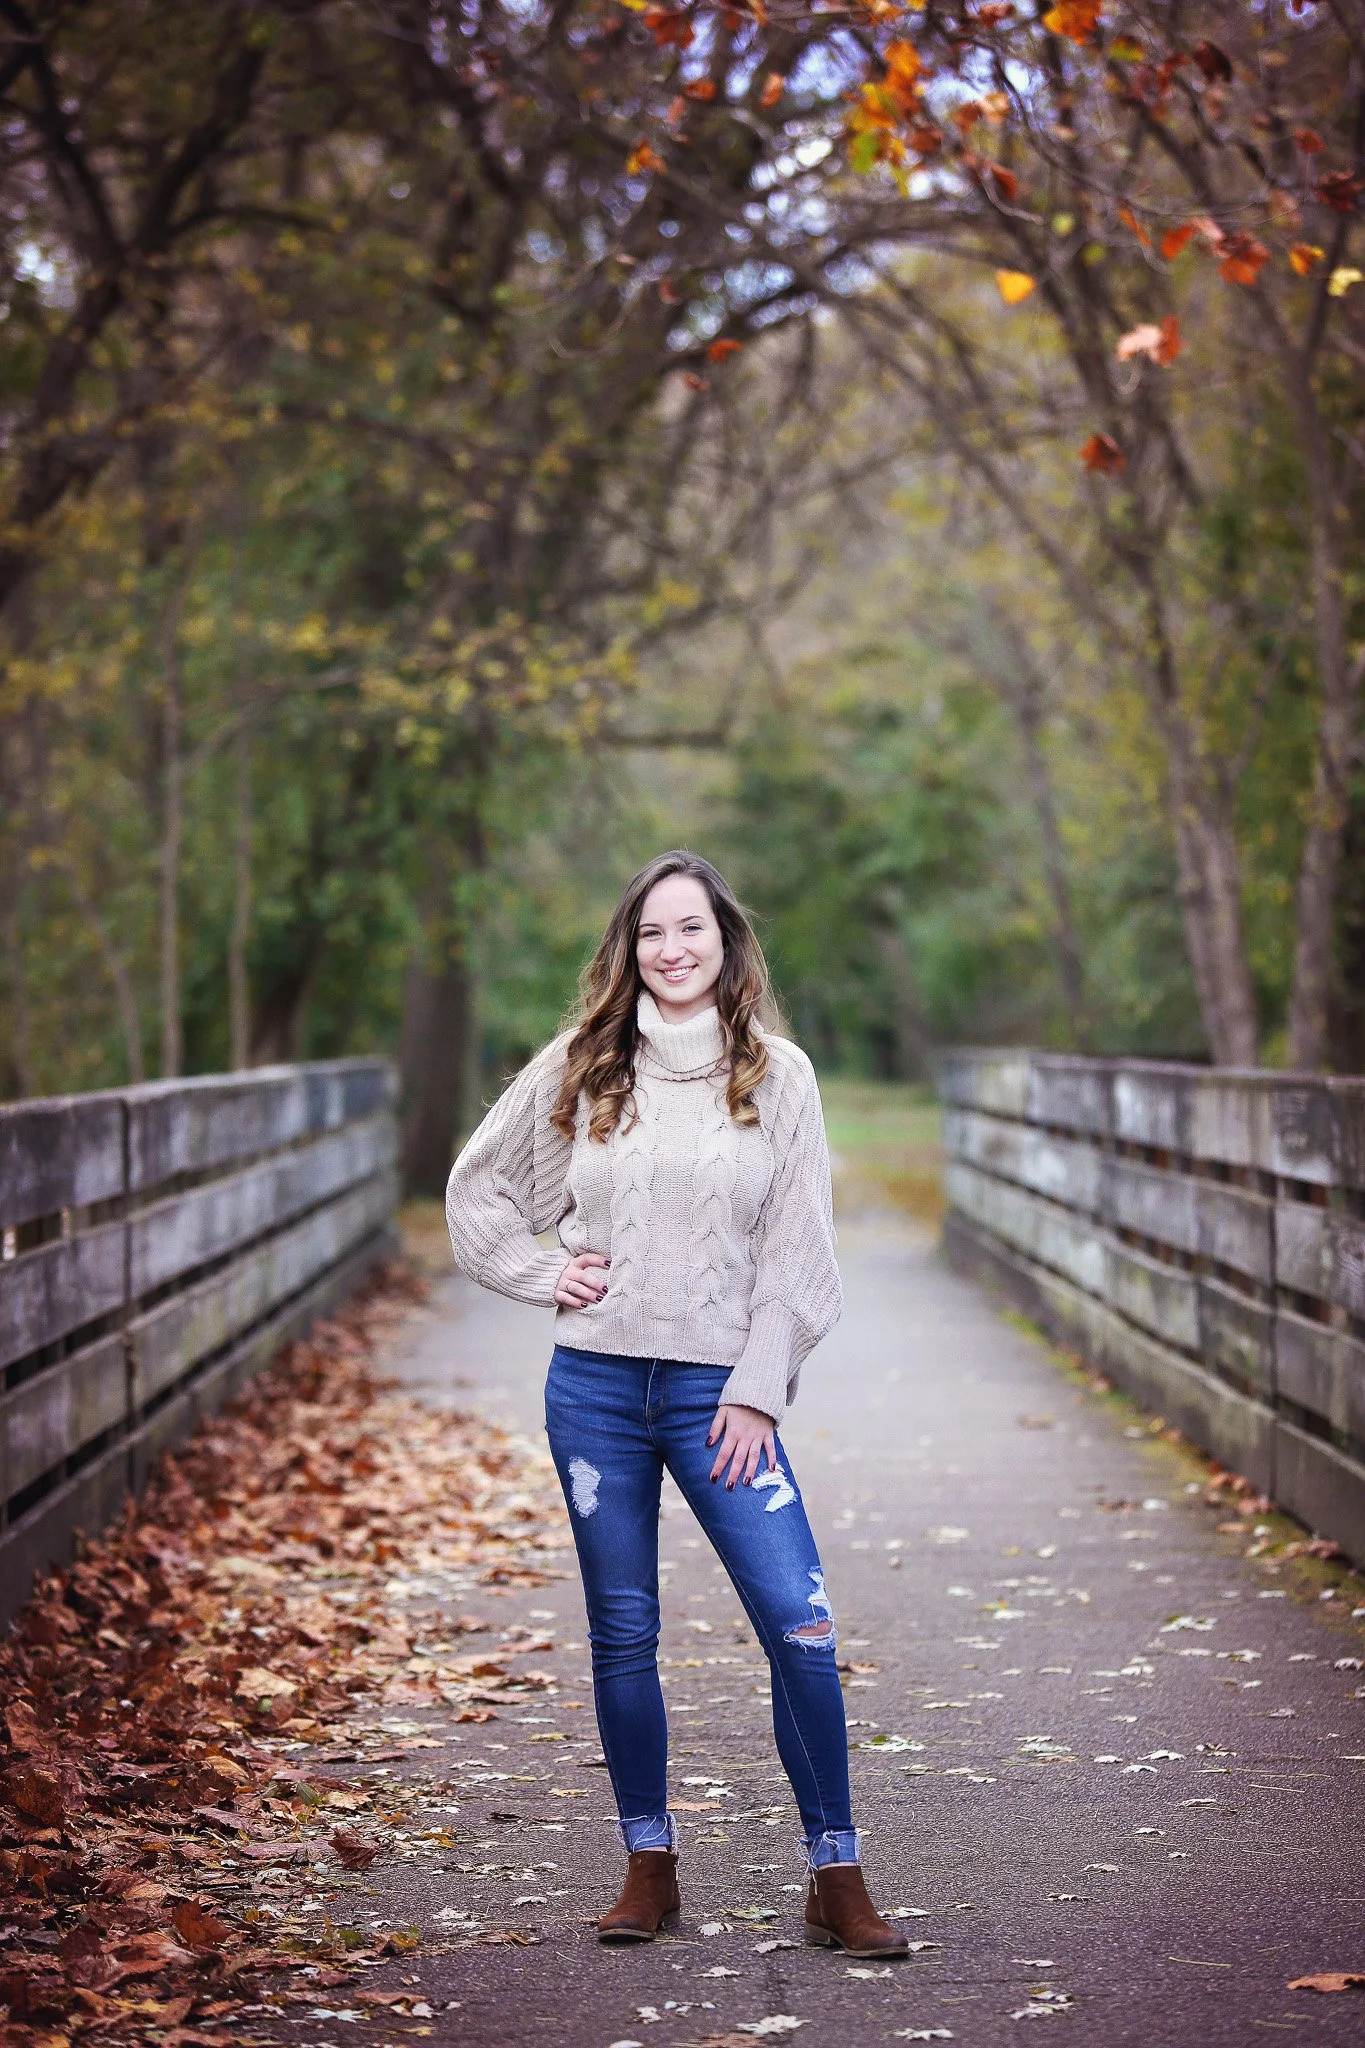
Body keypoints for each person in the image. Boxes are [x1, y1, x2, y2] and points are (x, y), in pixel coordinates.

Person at [445, 849, 907, 1958]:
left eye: (692, 927)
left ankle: (834, 1870)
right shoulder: (586, 1064)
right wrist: (541, 1270)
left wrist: (758, 1387)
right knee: (624, 1630)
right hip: (595, 1390)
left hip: (719, 1397)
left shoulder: (777, 1075)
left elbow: (803, 1253)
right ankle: (648, 1863)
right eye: (652, 931)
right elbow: (482, 1183)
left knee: (798, 1622)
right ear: (629, 949)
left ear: (725, 941)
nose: (673, 948)